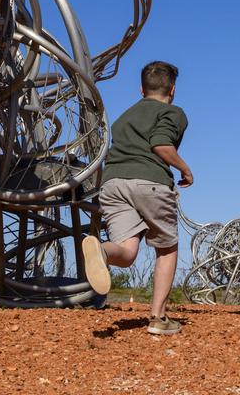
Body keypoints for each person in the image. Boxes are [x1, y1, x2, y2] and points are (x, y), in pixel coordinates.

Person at [82, 60, 193, 335]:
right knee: (166, 247)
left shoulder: (125, 117)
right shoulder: (173, 112)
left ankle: (102, 251)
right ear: (173, 90)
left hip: (113, 183)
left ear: (142, 89)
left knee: (127, 251)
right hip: (150, 182)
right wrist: (185, 169)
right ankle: (157, 318)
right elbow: (161, 144)